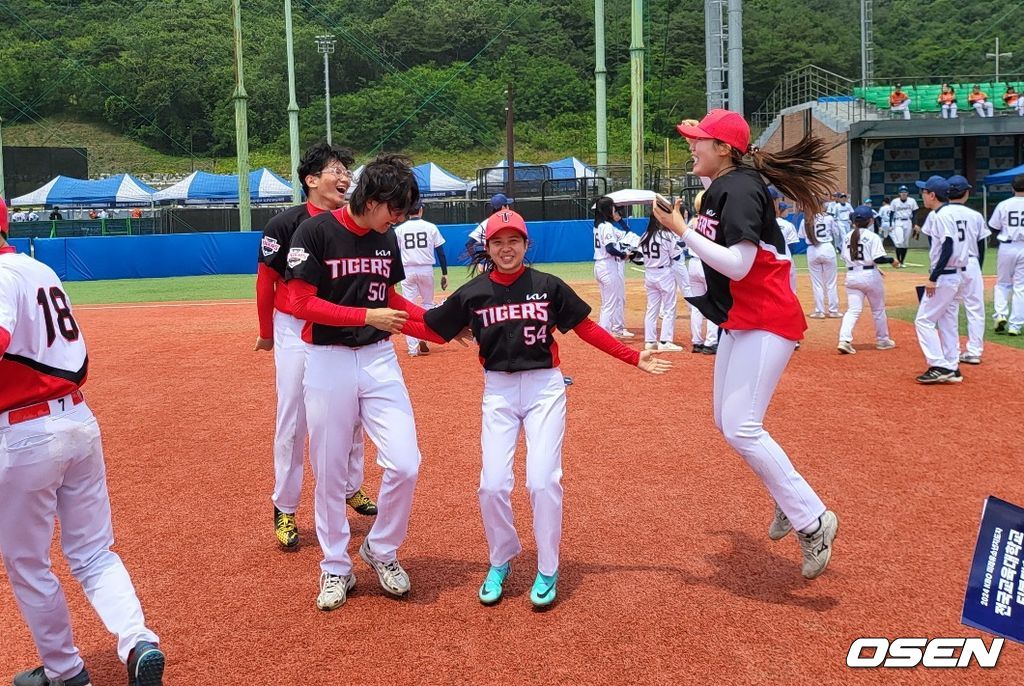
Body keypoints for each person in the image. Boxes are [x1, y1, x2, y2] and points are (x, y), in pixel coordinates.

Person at [411, 210, 670, 607]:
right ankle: (501, 559)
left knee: (542, 481)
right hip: (497, 391)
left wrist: (633, 358)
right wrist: (378, 315)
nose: (506, 248)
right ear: (488, 247)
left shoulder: (548, 286)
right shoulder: (473, 293)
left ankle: (548, 566)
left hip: (544, 389)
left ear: (526, 245)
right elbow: (432, 327)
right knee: (492, 485)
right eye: (498, 241)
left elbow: (587, 328)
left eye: (514, 240)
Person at [653, 108, 839, 579]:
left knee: (742, 427)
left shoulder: (738, 188)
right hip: (742, 318)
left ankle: (813, 519)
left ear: (723, 149)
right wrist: (688, 226)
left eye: (698, 139)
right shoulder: (722, 188)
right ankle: (789, 499)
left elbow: (738, 264)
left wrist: (682, 231)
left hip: (767, 318)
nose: (690, 145)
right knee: (726, 421)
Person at [0, 199, 166, 686]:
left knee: (28, 564)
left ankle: (66, 672)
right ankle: (137, 641)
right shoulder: (35, 266)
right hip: (76, 420)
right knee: (94, 552)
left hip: (24, 432)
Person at [285, 153, 426, 610]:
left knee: (405, 462)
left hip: (380, 358)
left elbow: (391, 299)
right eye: (395, 208)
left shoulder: (387, 239)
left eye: (404, 210)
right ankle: (334, 566)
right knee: (329, 472)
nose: (400, 218)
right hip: (326, 360)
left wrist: (442, 326)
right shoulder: (316, 231)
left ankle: (380, 548)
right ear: (371, 198)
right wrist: (366, 315)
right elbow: (300, 302)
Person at [255, 142, 378, 553]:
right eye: (334, 170)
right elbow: (265, 281)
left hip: (341, 328)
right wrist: (267, 332)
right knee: (293, 419)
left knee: (352, 411)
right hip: (294, 327)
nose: (344, 177)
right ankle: (285, 507)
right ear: (311, 180)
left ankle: (351, 487)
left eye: (346, 169)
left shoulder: (354, 222)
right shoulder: (285, 223)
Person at [913, 176, 971, 384]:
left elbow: (948, 246)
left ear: (932, 195)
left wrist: (933, 277)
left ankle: (938, 365)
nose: (922, 195)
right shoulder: (950, 213)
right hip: (956, 274)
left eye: (924, 192)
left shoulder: (940, 215)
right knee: (947, 321)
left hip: (945, 275)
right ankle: (952, 366)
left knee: (923, 321)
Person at [836, 206, 899, 354]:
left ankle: (844, 340)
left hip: (852, 275)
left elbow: (846, 258)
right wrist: (891, 260)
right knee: (878, 310)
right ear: (870, 221)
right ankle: (882, 340)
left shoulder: (847, 236)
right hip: (870, 276)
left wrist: (873, 266)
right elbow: (878, 258)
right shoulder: (872, 236)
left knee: (853, 311)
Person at [945, 175, 990, 365]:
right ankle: (974, 351)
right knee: (975, 308)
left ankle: (952, 350)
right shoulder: (976, 215)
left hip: (949, 265)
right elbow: (982, 245)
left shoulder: (940, 214)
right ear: (966, 193)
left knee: (950, 308)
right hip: (971, 263)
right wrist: (977, 267)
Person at [395, 201, 448, 357]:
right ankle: (424, 336)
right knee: (427, 304)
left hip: (407, 270)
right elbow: (441, 252)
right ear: (421, 210)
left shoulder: (399, 230)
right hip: (426, 269)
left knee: (408, 307)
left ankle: (412, 348)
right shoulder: (431, 227)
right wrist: (444, 273)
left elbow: (395, 254)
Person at [638, 215, 683, 351]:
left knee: (652, 308)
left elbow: (638, 258)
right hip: (664, 273)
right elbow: (676, 255)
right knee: (669, 307)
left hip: (649, 273)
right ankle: (665, 341)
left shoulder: (644, 236)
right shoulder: (666, 235)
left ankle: (650, 341)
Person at [683, 191, 720, 354]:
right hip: (707, 264)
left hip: (692, 264)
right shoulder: (711, 221)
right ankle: (711, 342)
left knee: (697, 305)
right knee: (713, 303)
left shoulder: (691, 221)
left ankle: (697, 341)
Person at [988, 173, 1024, 336]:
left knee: (1002, 284)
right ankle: (1015, 326)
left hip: (1007, 246)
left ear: (1012, 187)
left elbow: (993, 226)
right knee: (1021, 288)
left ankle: (1000, 315)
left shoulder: (1004, 204)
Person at [593, 196, 633, 338]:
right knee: (611, 303)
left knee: (607, 303)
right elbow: (610, 248)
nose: (615, 210)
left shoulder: (597, 226)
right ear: (608, 209)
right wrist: (623, 255)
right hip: (608, 266)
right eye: (613, 207)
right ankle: (604, 333)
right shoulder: (607, 227)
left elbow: (627, 235)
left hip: (599, 265)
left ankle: (604, 330)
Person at [799, 200, 843, 318]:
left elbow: (802, 236)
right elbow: (837, 233)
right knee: (831, 282)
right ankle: (833, 311)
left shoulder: (805, 220)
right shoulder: (828, 218)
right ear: (821, 206)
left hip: (812, 249)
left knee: (817, 283)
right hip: (827, 247)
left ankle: (819, 311)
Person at [466, 194, 514, 261]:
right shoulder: (487, 223)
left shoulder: (488, 222)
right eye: (507, 205)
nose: (509, 207)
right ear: (503, 207)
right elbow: (469, 244)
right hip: (492, 263)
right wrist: (478, 262)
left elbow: (469, 244)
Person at [889, 185, 919, 265]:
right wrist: (890, 225)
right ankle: (898, 260)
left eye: (905, 192)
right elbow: (891, 214)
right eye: (902, 192)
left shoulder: (912, 201)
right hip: (898, 221)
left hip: (908, 221)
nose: (903, 194)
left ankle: (902, 262)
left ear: (907, 193)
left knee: (905, 243)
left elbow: (915, 213)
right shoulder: (895, 201)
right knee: (899, 241)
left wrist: (915, 224)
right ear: (899, 193)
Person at [776, 201, 800, 294]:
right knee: (791, 290)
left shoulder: (766, 224)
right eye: (786, 209)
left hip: (771, 260)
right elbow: (792, 246)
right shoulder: (788, 225)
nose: (787, 211)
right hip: (786, 260)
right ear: (782, 211)